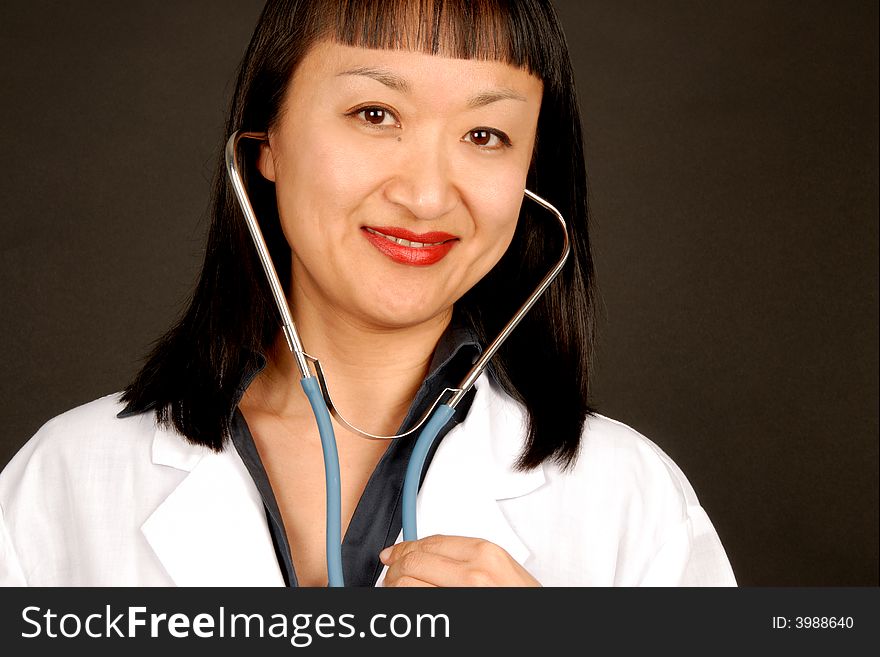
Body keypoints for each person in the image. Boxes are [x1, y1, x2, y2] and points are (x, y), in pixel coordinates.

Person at [0, 0, 735, 587]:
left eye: (485, 135)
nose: (424, 194)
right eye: (374, 114)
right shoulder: (67, 478)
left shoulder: (630, 498)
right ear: (267, 143)